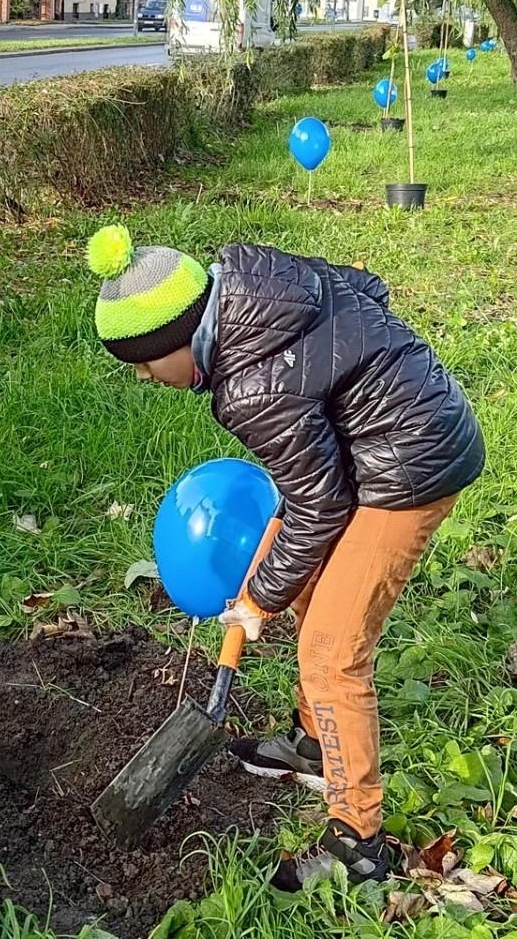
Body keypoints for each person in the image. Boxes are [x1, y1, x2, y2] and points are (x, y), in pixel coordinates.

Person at [86, 224, 484, 891]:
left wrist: (257, 599)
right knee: (308, 588)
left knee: (332, 650)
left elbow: (319, 508)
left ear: (176, 340)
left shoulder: (251, 387)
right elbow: (366, 288)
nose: (144, 378)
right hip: (383, 440)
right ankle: (312, 741)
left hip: (409, 467)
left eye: (146, 362)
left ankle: (359, 843)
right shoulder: (255, 281)